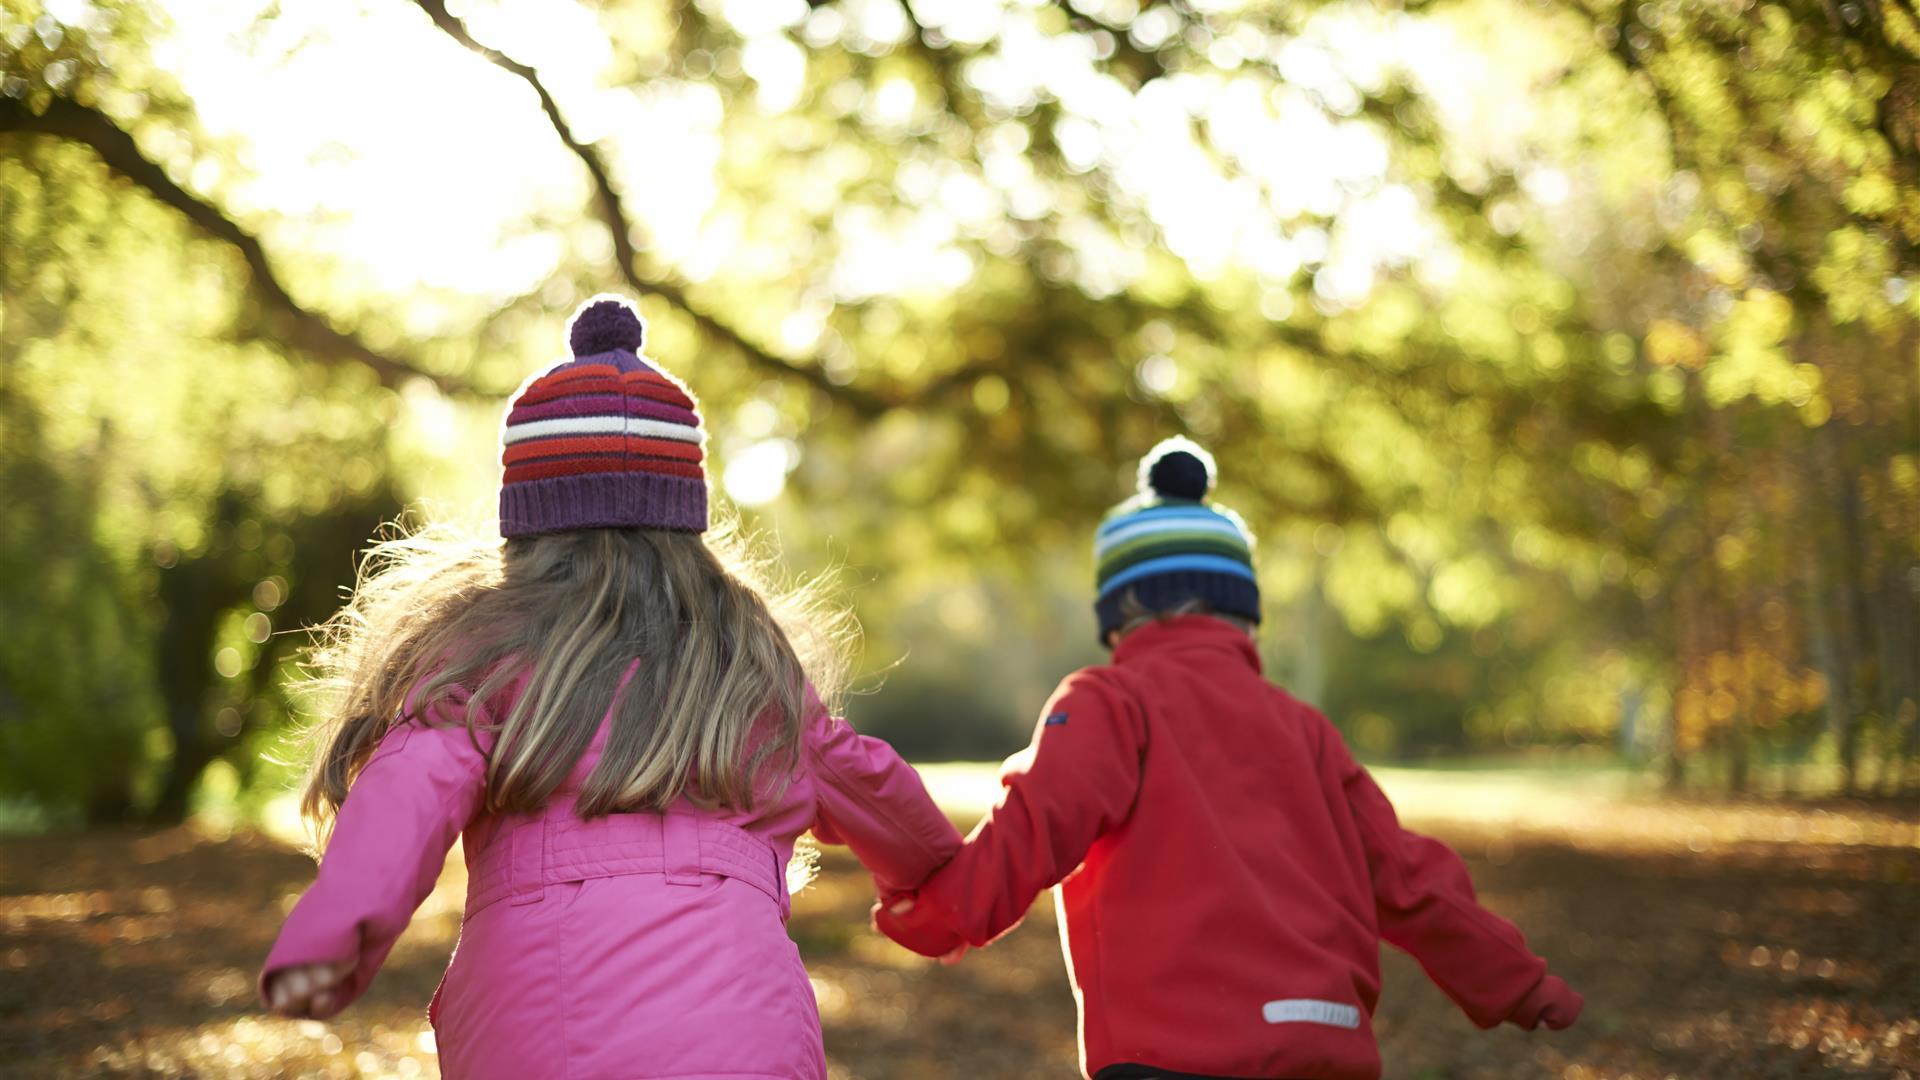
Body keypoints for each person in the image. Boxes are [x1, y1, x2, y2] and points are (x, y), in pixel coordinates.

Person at [259, 295, 961, 1079]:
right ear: (683, 520)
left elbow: (409, 793)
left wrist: (328, 939)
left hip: (532, 1024)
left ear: (527, 525)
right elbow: (864, 777)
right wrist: (942, 884)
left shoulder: (488, 651)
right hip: (744, 1031)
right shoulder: (745, 655)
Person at [874, 437, 1583, 1080]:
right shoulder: (1306, 730)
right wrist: (1519, 983)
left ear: (1122, 614)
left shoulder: (1112, 700)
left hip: (1174, 1053)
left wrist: (933, 913)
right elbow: (1409, 876)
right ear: (1244, 613)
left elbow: (1037, 823)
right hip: (1328, 1047)